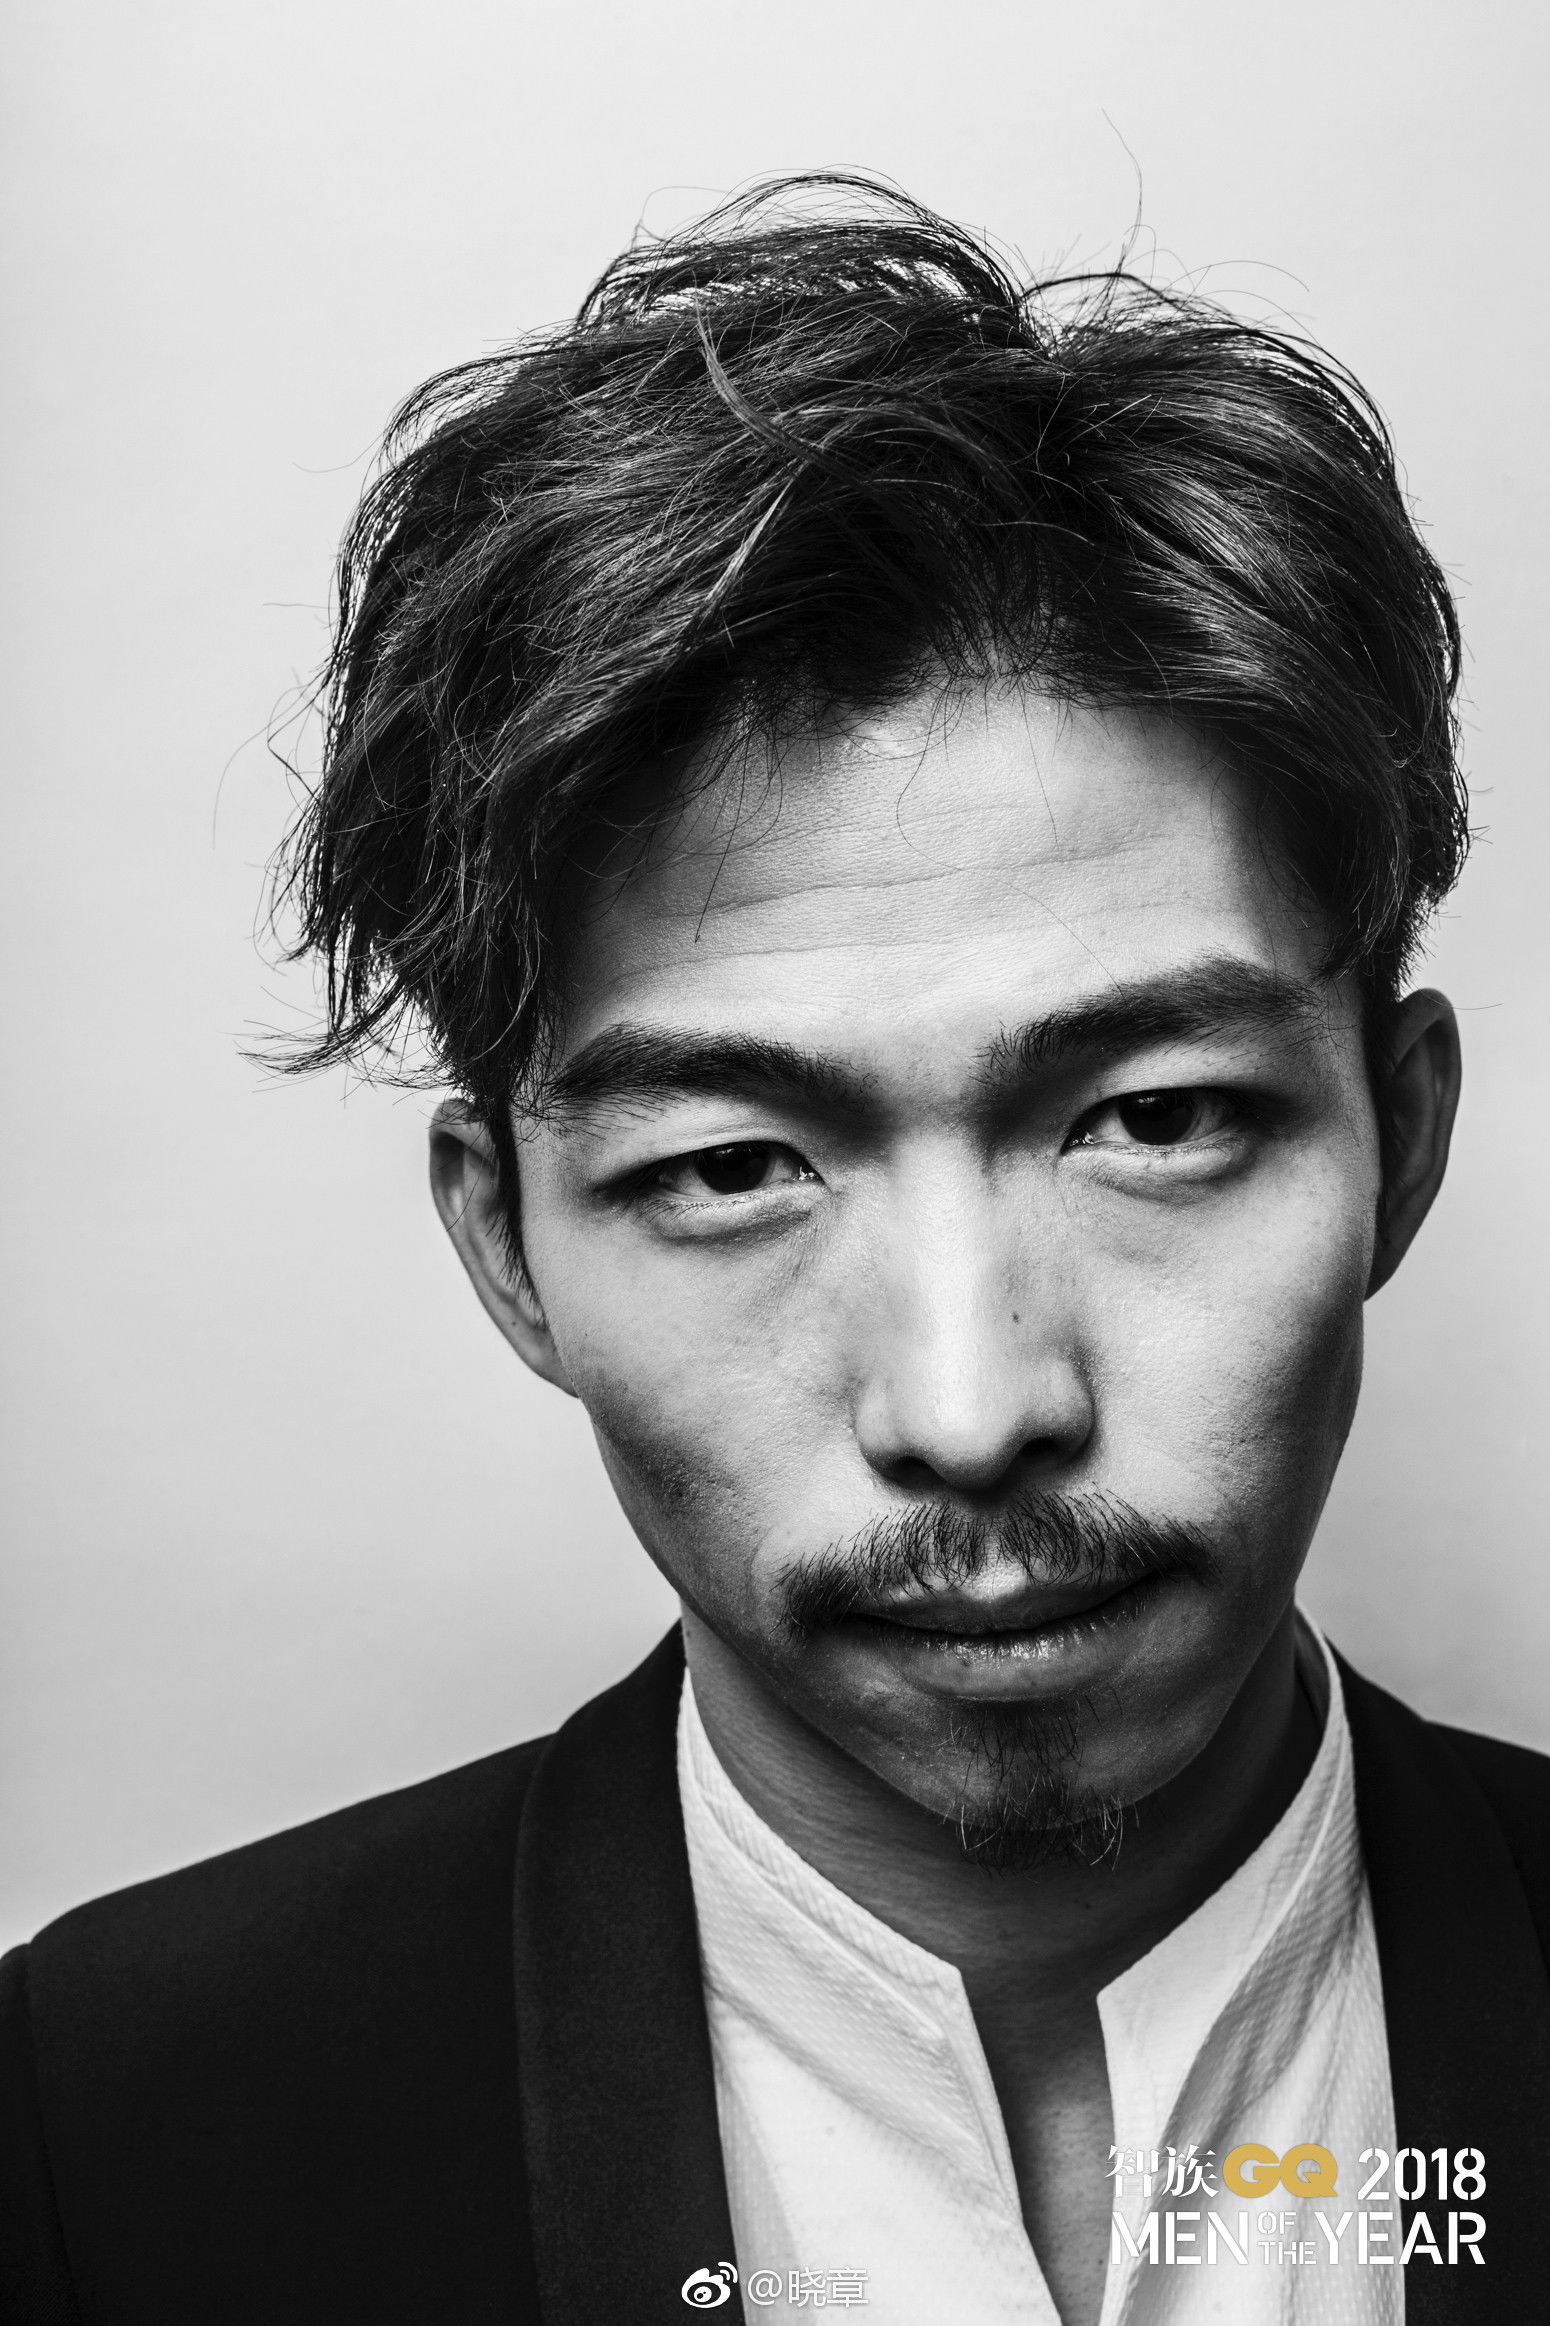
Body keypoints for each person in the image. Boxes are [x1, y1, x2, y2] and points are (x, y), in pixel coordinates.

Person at [1, 177, 1544, 2326]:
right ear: (508, 1251)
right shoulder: (108, 2135)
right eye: (732, 1164)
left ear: (1400, 1138)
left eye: (1153, 1118)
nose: (971, 1408)